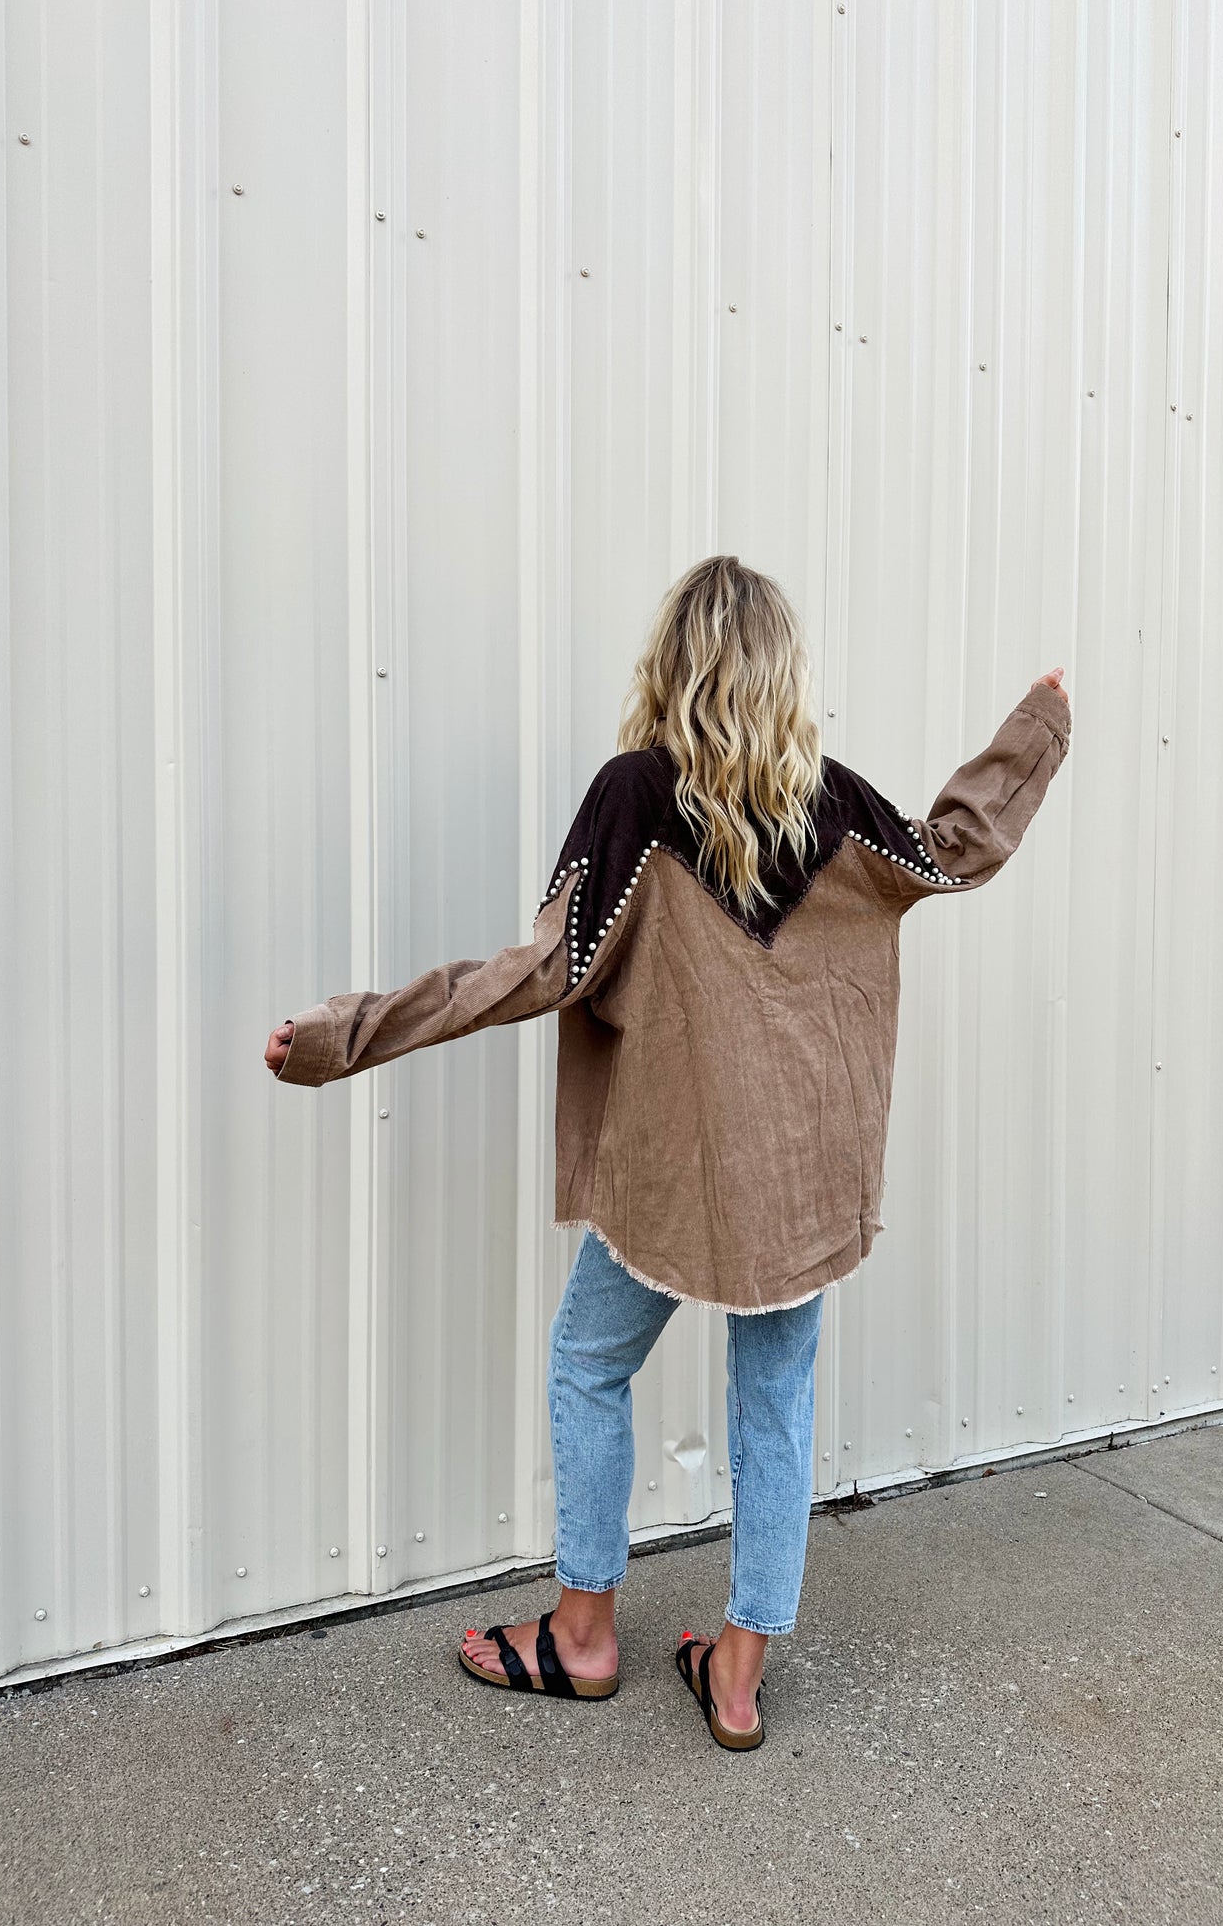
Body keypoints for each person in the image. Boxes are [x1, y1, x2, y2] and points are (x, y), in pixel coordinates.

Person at [265, 553, 1072, 1751]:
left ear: (672, 666)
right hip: (800, 1181)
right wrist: (1036, 725)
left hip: (672, 1172)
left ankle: (583, 1635)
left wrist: (346, 1034)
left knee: (588, 1365)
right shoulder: (838, 805)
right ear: (783, 676)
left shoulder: (635, 798)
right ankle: (735, 1675)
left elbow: (534, 970)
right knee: (775, 1400)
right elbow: (956, 847)